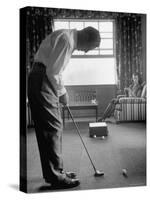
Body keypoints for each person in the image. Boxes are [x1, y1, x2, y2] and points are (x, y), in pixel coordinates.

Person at [28, 26, 100, 189]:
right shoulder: (67, 41)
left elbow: (53, 69)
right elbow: (53, 72)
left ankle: (55, 173)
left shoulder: (66, 36)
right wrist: (63, 94)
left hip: (40, 77)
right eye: (90, 48)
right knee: (52, 127)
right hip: (42, 79)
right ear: (86, 38)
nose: (87, 51)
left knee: (50, 128)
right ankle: (56, 176)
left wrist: (60, 92)